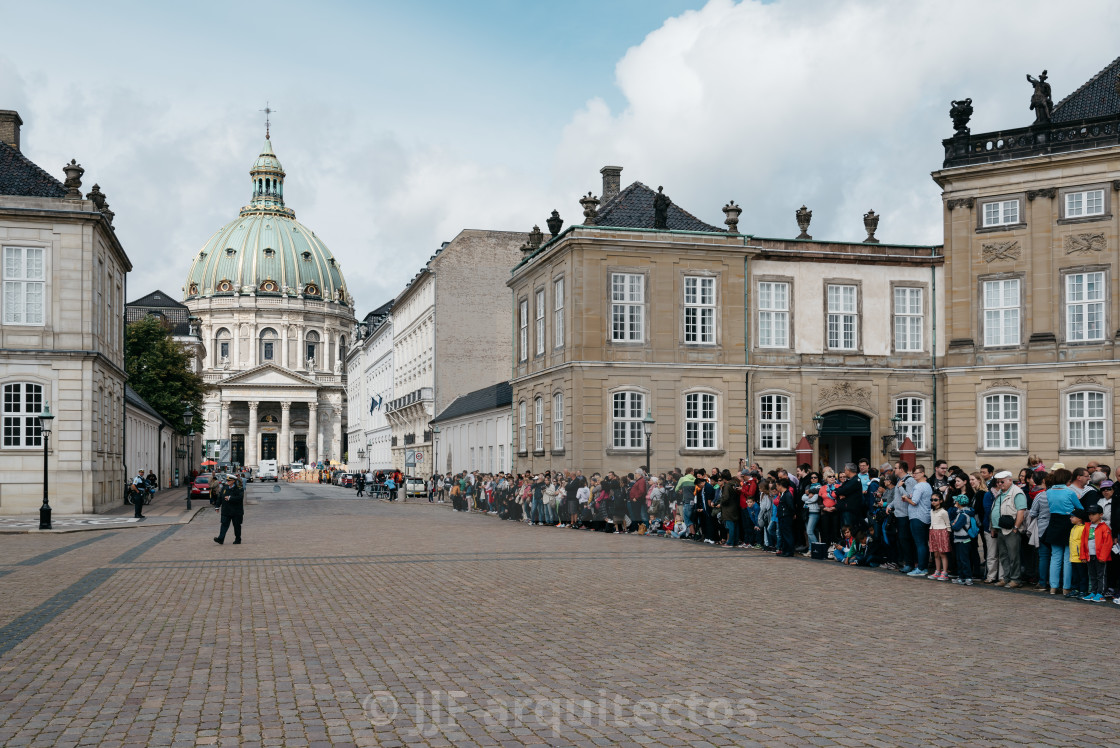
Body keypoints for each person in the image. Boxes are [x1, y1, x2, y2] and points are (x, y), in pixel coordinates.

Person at [989, 470, 1027, 588]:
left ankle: (1015, 579)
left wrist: (1016, 527)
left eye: (1002, 481)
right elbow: (995, 510)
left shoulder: (1017, 493)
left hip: (1011, 529)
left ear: (1010, 480)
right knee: (1004, 555)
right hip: (1000, 528)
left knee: (1013, 555)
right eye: (998, 482)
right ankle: (1006, 578)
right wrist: (993, 527)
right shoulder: (1001, 492)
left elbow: (1021, 511)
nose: (1000, 484)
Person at [903, 465, 932, 578]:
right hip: (925, 516)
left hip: (917, 516)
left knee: (920, 543)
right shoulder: (927, 485)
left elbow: (914, 502)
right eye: (913, 473)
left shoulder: (919, 486)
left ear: (922, 474)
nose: (914, 475)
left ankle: (921, 568)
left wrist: (906, 498)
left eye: (916, 473)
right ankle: (922, 566)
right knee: (923, 543)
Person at [1080, 505, 1113, 602]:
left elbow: (1108, 543)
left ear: (1101, 515)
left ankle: (1101, 593)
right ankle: (1093, 592)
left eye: (1094, 514)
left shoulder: (1104, 527)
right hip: (1090, 555)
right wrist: (1083, 555)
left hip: (1100, 556)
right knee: (1092, 575)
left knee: (1101, 575)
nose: (1091, 516)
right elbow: (1083, 542)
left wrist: (1103, 556)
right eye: (1089, 514)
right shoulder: (1087, 526)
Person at [950, 495, 975, 585]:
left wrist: (952, 524)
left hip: (963, 540)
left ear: (959, 503)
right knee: (960, 559)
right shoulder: (962, 513)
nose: (955, 503)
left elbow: (955, 526)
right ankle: (961, 577)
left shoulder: (963, 515)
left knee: (963, 559)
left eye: (956, 501)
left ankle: (967, 577)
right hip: (960, 539)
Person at [927, 491, 951, 581]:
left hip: (942, 531)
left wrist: (947, 534)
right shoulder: (932, 511)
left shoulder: (943, 512)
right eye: (932, 500)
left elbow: (948, 524)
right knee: (935, 553)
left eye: (935, 500)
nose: (933, 501)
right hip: (933, 531)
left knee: (942, 553)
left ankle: (944, 572)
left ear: (941, 501)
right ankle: (937, 570)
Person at [214, 474, 244, 545]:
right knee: (224, 525)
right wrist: (217, 506)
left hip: (236, 511)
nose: (227, 481)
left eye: (229, 480)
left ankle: (238, 539)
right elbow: (220, 497)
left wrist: (230, 498)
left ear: (233, 481)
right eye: (227, 480)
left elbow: (240, 498)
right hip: (226, 510)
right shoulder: (224, 488)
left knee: (237, 526)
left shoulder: (239, 488)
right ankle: (220, 539)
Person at [1068, 509, 1089, 598]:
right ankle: (1075, 589)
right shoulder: (1073, 528)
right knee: (1075, 575)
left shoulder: (1083, 528)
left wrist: (1083, 555)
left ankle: (1083, 590)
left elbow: (1084, 544)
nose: (1070, 518)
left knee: (1082, 575)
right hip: (1073, 557)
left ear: (1079, 518)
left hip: (1080, 558)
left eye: (1072, 517)